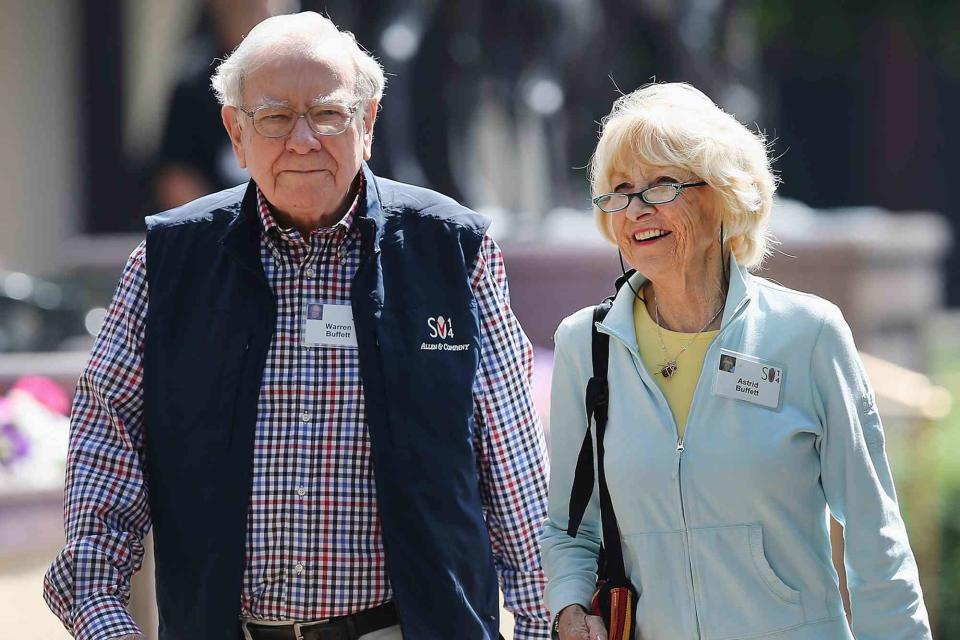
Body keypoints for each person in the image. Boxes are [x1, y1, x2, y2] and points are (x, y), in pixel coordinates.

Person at [44, 13, 550, 640]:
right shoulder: (167, 264)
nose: (304, 140)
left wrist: (538, 622)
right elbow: (107, 439)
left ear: (366, 121)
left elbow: (513, 463)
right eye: (276, 118)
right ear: (236, 131)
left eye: (329, 114)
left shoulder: (452, 251)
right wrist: (102, 614)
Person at [540, 83, 931, 640]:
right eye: (620, 190)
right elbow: (568, 530)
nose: (636, 210)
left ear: (722, 195)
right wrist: (570, 607)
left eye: (661, 185)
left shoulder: (809, 334)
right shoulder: (587, 344)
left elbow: (875, 535)